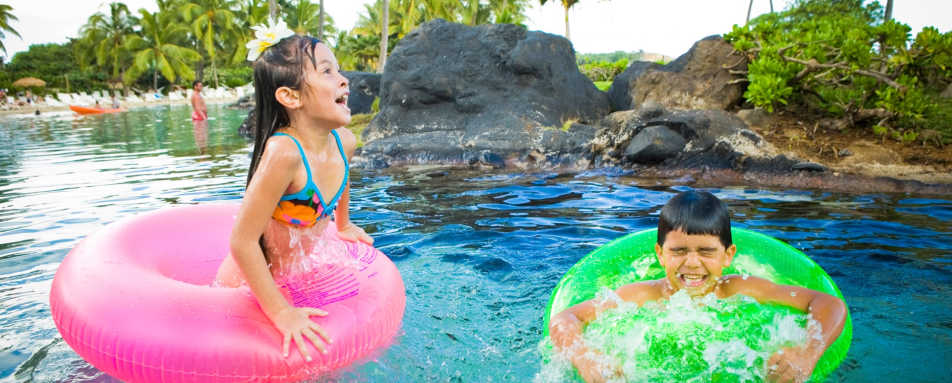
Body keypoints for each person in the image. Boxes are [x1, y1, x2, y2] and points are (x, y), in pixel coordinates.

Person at [549, 190, 847, 383]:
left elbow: (829, 304)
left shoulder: (741, 290)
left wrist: (808, 351)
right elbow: (565, 318)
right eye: (679, 251)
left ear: (728, 255)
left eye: (706, 251)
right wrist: (585, 357)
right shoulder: (642, 295)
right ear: (660, 254)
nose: (692, 263)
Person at [213, 25, 370, 364]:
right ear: (291, 97)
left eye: (339, 70)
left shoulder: (345, 141)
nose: (344, 80)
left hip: (294, 278)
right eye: (327, 71)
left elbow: (343, 178)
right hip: (245, 287)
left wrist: (344, 224)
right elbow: (242, 241)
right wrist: (282, 313)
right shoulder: (284, 153)